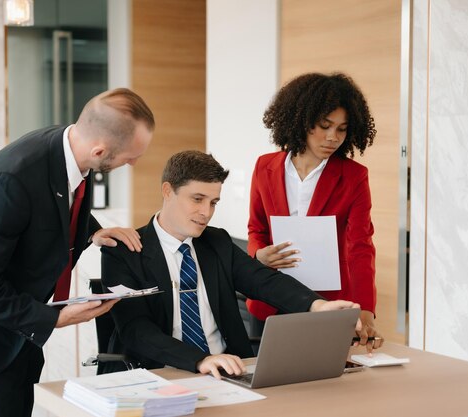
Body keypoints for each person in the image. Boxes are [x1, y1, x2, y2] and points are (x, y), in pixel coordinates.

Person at [0, 88, 155, 417]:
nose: (134, 163)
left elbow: (54, 203)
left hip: (24, 323)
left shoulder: (72, 149)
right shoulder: (10, 181)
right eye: (130, 156)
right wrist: (55, 317)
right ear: (100, 151)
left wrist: (92, 230)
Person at [100, 150, 365, 379]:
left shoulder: (216, 242)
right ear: (168, 191)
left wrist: (318, 305)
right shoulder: (124, 252)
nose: (206, 212)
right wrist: (199, 360)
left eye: (213, 202)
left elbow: (264, 280)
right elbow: (136, 330)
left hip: (230, 372)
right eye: (197, 199)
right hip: (163, 372)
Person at [246, 72, 383, 351]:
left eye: (342, 129)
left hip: (329, 302)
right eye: (324, 125)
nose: (333, 138)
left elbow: (360, 245)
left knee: (325, 387)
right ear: (302, 121)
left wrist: (365, 309)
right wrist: (259, 254)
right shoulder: (265, 167)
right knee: (269, 384)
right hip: (270, 296)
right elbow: (256, 229)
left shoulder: (354, 176)